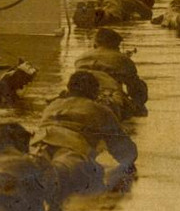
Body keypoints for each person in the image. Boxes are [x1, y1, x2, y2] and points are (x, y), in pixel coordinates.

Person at [32, 70, 137, 199]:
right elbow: (125, 150)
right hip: (72, 152)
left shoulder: (52, 106)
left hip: (38, 146)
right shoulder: (100, 110)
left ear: (69, 88)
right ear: (94, 92)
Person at [73, 27, 148, 116]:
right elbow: (135, 89)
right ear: (116, 45)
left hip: (79, 96)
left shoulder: (80, 58)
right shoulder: (122, 59)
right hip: (109, 98)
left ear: (95, 43)